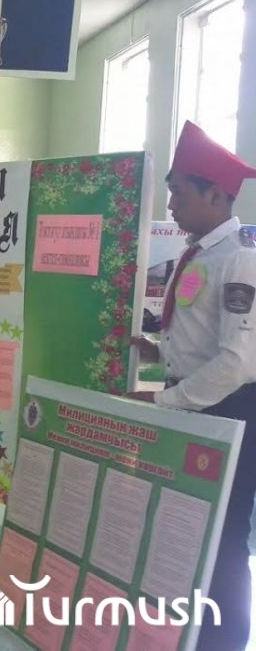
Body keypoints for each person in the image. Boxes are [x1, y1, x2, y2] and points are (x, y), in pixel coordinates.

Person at [129, 121, 256, 650]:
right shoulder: (199, 253)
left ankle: (223, 642)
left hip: (228, 412)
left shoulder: (240, 258)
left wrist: (165, 399)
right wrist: (158, 352)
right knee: (189, 527)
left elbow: (237, 362)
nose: (172, 202)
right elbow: (203, 339)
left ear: (215, 194)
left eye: (180, 191)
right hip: (196, 405)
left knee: (223, 537)